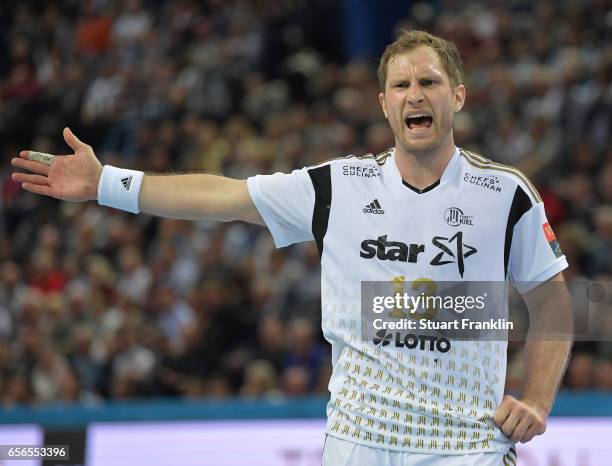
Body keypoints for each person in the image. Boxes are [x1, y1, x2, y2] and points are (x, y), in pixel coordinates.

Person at [11, 30, 572, 465]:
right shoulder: (337, 186)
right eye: (402, 85)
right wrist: (106, 182)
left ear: (459, 95)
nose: (415, 95)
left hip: (465, 445)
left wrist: (539, 399)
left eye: (429, 82)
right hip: (361, 442)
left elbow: (554, 302)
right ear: (383, 103)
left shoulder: (505, 194)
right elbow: (222, 195)